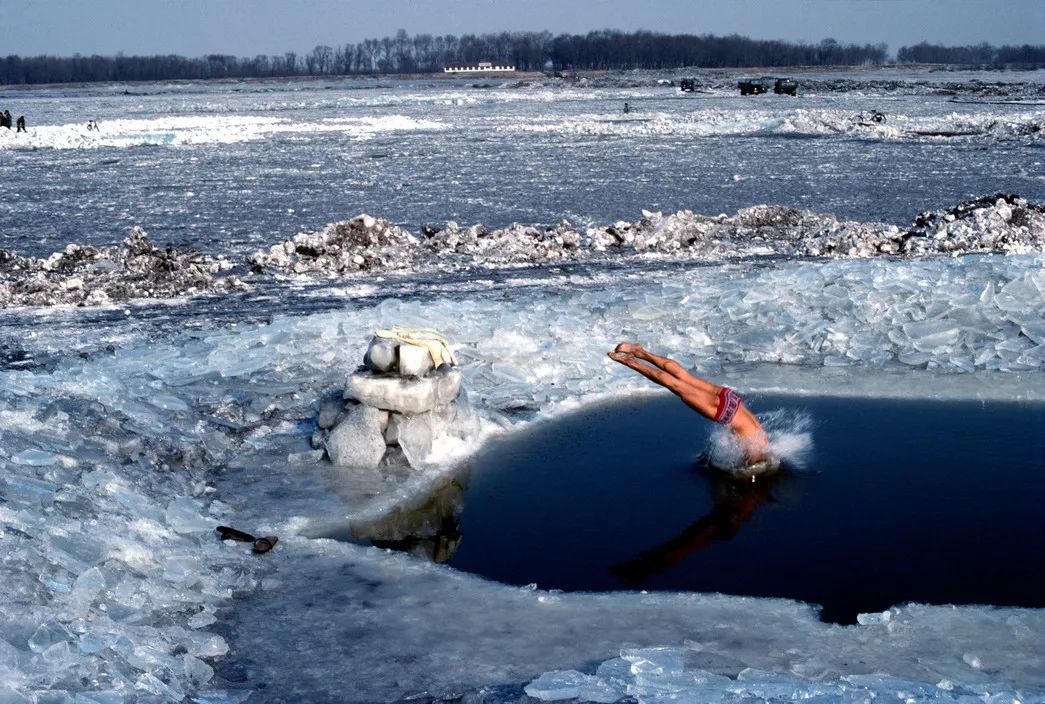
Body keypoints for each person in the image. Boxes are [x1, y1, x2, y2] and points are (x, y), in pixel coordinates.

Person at [608, 342, 769, 464]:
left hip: (732, 398)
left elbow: (737, 434)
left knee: (684, 377)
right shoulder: (755, 454)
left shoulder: (764, 440)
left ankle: (640, 351)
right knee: (676, 386)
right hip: (723, 411)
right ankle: (630, 361)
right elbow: (745, 466)